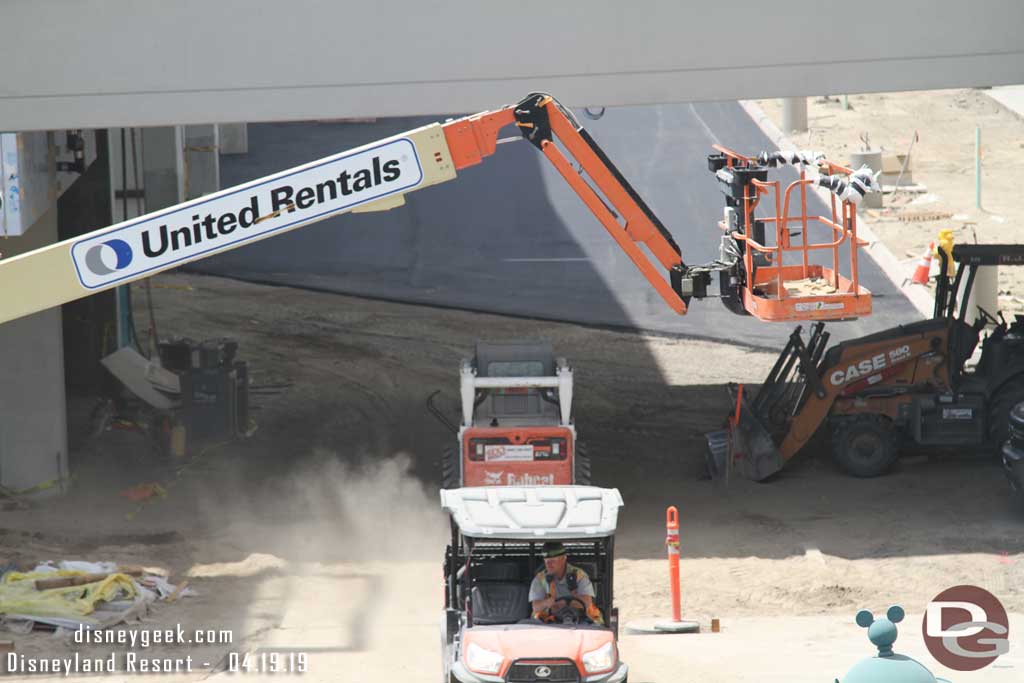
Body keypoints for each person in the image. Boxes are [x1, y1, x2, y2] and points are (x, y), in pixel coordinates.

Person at [528, 542, 604, 624]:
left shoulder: (579, 575)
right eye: (546, 561)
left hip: (579, 618)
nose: (548, 565)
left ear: (564, 558)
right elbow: (535, 607)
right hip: (549, 621)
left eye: (553, 561)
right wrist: (546, 603)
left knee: (593, 626)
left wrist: (564, 602)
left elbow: (587, 603)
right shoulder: (540, 579)